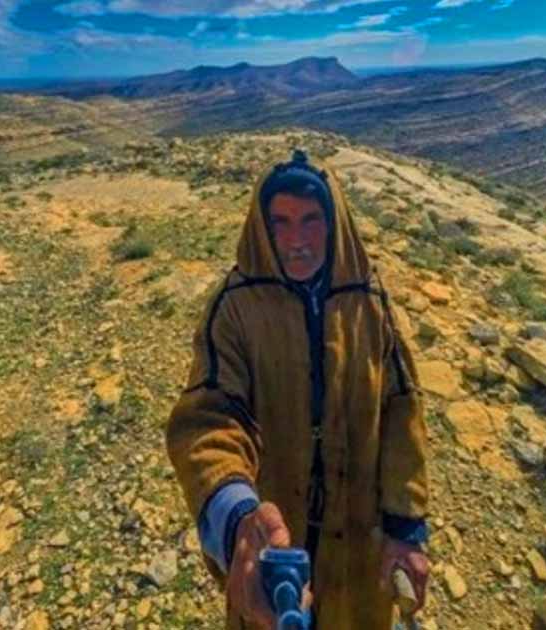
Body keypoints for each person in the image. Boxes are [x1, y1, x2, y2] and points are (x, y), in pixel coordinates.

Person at [166, 150, 431, 629]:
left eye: (311, 221)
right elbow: (210, 420)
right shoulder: (236, 306)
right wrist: (238, 518)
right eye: (281, 223)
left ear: (334, 225)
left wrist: (405, 528)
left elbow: (401, 408)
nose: (297, 242)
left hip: (358, 547)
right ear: (263, 229)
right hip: (274, 547)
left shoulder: (367, 301)